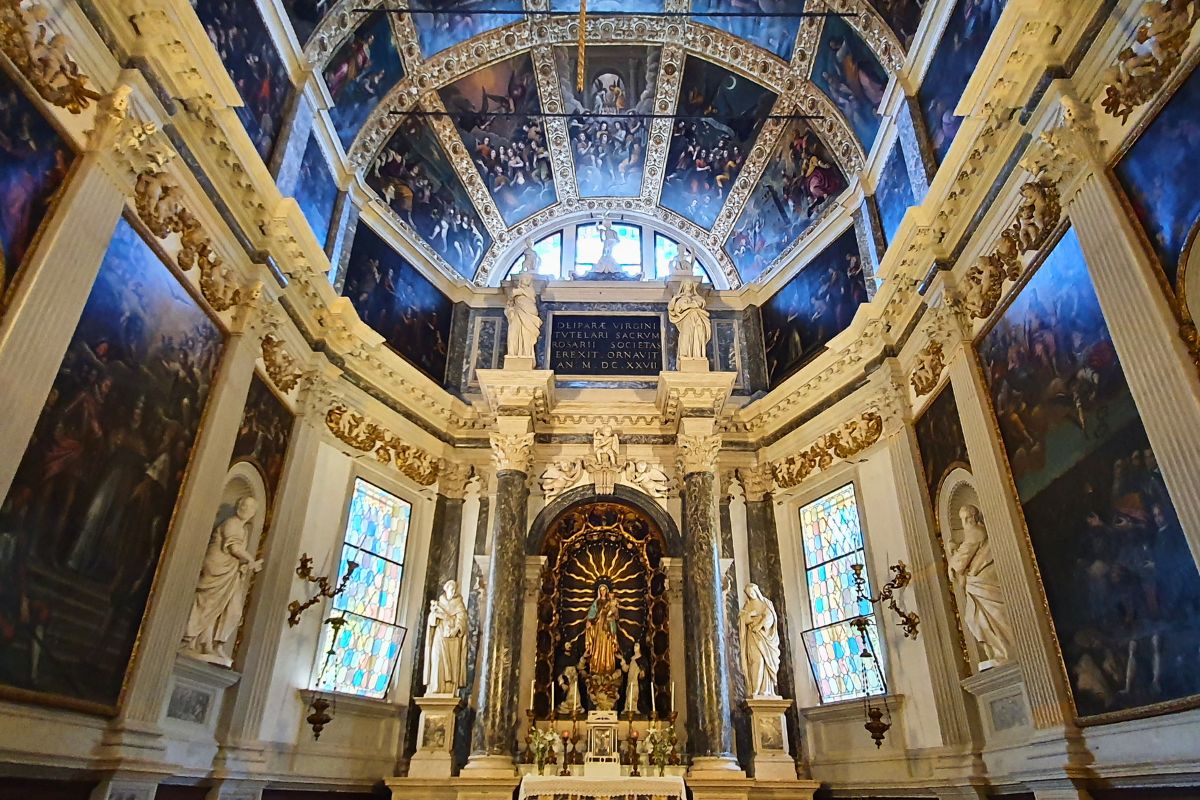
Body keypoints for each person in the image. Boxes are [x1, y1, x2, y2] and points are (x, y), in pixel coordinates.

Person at [181, 496, 264, 663]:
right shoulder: (232, 523)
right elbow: (234, 548)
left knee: (226, 609)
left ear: (253, 512)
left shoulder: (243, 529)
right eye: (242, 505)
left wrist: (245, 564)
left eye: (248, 507)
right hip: (216, 567)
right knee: (208, 604)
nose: (244, 508)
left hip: (230, 570)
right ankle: (192, 639)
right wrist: (251, 561)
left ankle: (210, 644)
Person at [948, 505, 1013, 666]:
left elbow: (961, 560)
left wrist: (952, 557)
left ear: (975, 517)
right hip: (977, 582)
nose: (965, 522)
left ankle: (1005, 651)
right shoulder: (973, 534)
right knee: (976, 618)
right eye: (963, 519)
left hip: (983, 582)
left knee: (987, 616)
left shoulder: (976, 532)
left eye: (967, 518)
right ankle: (999, 652)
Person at [423, 579, 469, 695]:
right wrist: (436, 615)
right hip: (439, 634)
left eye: (454, 589)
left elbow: (462, 620)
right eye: (451, 589)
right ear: (446, 589)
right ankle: (436, 687)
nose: (452, 591)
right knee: (437, 658)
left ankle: (448, 688)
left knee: (451, 664)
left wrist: (456, 629)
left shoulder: (459, 604)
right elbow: (431, 621)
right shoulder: (439, 604)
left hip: (452, 639)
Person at [739, 584, 781, 697]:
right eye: (748, 593)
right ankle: (755, 689)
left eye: (752, 592)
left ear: (756, 591)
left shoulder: (766, 603)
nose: (751, 595)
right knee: (757, 660)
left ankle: (765, 690)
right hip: (753, 637)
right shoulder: (747, 605)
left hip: (765, 638)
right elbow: (742, 621)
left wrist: (761, 624)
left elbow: (771, 617)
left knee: (766, 661)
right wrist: (749, 615)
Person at [668, 279, 711, 360]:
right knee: (686, 335)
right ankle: (685, 355)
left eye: (690, 283)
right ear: (683, 286)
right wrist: (692, 305)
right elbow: (676, 308)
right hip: (687, 319)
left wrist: (690, 305)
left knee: (699, 335)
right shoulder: (680, 298)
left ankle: (697, 355)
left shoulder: (698, 297)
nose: (689, 285)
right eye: (687, 283)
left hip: (698, 318)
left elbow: (701, 303)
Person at [585, 582, 620, 675]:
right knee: (598, 645)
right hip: (598, 627)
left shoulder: (611, 602)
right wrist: (589, 621)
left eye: (604, 590)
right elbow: (591, 614)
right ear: (599, 591)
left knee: (607, 646)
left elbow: (616, 616)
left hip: (607, 627)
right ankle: (596, 668)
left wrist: (614, 612)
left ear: (607, 591)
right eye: (601, 590)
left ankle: (608, 668)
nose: (602, 592)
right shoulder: (596, 602)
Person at [504, 271, 541, 359]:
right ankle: (514, 353)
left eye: (529, 279)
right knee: (514, 334)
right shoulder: (516, 291)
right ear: (521, 280)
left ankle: (526, 353)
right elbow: (511, 297)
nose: (527, 280)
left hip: (529, 315)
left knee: (526, 335)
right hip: (517, 314)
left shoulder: (530, 291)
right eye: (525, 278)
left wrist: (520, 292)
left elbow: (530, 295)